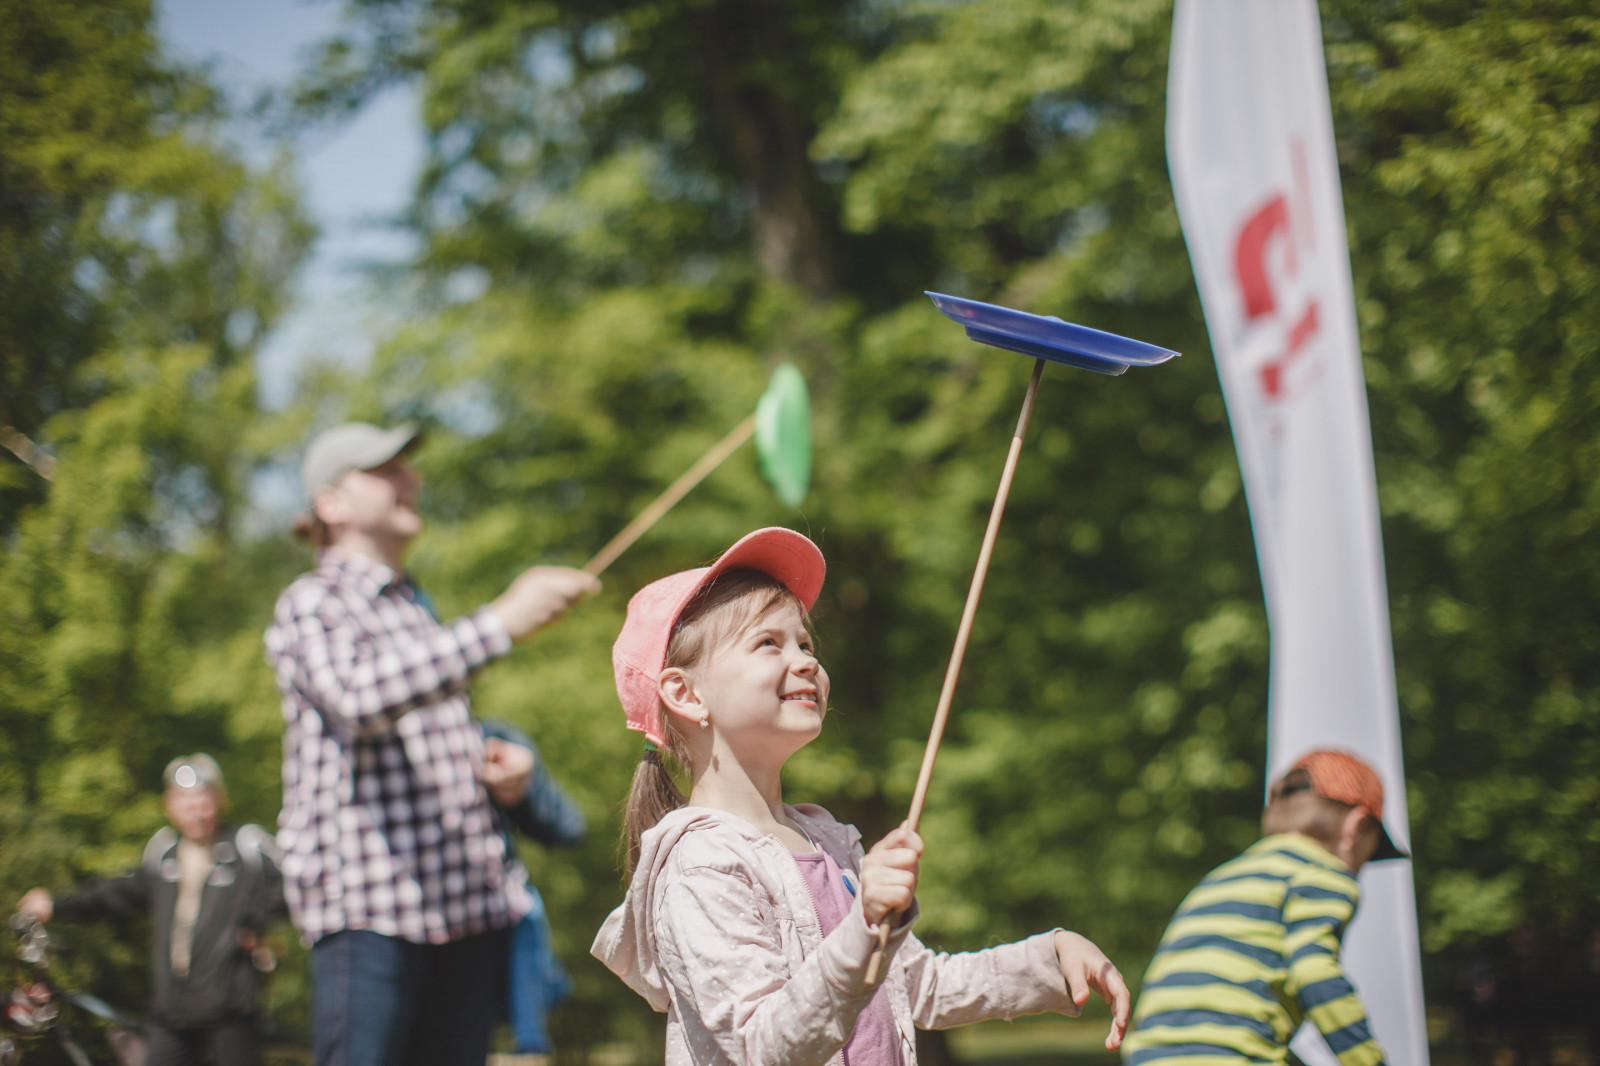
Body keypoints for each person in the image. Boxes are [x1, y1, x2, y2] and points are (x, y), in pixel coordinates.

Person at [591, 527, 1131, 1065]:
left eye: (805, 643)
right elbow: (763, 1045)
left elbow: (918, 985)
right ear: (685, 693)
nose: (806, 661)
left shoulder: (829, 843)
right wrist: (863, 928)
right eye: (768, 643)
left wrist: (1047, 960)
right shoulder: (701, 862)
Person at [263, 421, 599, 1066]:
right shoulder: (311, 601)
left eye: (407, 467)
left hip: (461, 909)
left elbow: (416, 727)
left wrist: (497, 769)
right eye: (385, 469)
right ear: (330, 503)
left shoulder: (415, 604)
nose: (409, 478)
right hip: (368, 909)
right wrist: (500, 623)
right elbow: (358, 698)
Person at [1120, 749, 1409, 1066]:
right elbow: (1315, 972)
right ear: (1356, 827)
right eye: (1369, 854)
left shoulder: (1221, 878)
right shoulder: (1323, 872)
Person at [18, 754, 283, 1066]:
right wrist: (56, 904)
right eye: (185, 803)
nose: (196, 812)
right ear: (170, 806)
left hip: (229, 1012)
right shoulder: (163, 854)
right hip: (172, 1013)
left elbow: (289, 887)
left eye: (203, 802)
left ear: (220, 801)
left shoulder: (246, 848)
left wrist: (253, 922)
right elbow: (115, 895)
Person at [480, 717, 587, 1060]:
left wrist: (526, 779)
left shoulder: (489, 741)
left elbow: (568, 828)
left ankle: (529, 1042)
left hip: (499, 934)